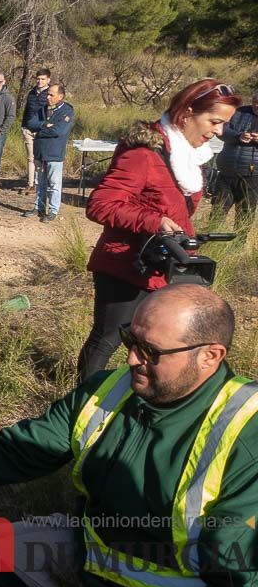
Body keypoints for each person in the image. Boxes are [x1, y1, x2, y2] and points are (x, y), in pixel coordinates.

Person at [0, 284, 258, 587]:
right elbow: (18, 451)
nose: (132, 358)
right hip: (92, 556)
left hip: (176, 582)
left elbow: (236, 563)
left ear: (210, 356)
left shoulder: (246, 429)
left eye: (150, 350)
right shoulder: (109, 390)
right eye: (130, 340)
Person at [76, 79, 239, 381]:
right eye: (215, 121)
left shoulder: (186, 155)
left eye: (223, 124)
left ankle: (135, 394)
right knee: (109, 338)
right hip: (125, 265)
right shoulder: (143, 154)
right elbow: (100, 205)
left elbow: (170, 204)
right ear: (187, 112)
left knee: (153, 342)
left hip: (163, 266)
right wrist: (154, 221)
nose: (219, 131)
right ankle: (80, 403)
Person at [21, 84, 75, 223]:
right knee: (40, 182)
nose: (48, 97)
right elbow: (30, 123)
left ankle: (52, 210)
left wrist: (39, 131)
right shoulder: (42, 109)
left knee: (54, 183)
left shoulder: (67, 111)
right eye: (47, 94)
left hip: (54, 152)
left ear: (60, 96)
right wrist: (44, 125)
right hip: (40, 150)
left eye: (51, 95)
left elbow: (59, 131)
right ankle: (38, 207)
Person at [215, 91, 258, 222]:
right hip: (226, 172)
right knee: (217, 213)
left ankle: (238, 243)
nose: (257, 107)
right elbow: (220, 130)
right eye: (255, 103)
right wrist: (238, 136)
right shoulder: (237, 112)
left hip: (253, 176)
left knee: (245, 215)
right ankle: (212, 242)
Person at [19, 69, 52, 195]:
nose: (40, 81)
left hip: (42, 130)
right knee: (31, 158)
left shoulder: (50, 93)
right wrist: (24, 126)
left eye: (43, 79)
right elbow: (27, 110)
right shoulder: (32, 93)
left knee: (43, 158)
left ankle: (42, 184)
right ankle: (31, 184)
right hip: (28, 129)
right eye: (38, 79)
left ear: (48, 79)